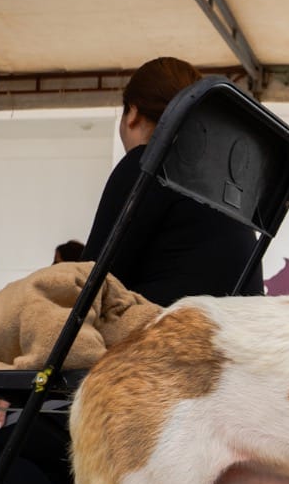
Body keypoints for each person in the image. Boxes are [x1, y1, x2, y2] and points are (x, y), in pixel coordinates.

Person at [0, 57, 250, 484]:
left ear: (131, 116)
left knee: (3, 440)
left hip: (149, 415)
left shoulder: (146, 170)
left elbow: (84, 293)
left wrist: (11, 378)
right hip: (223, 416)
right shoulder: (236, 206)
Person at [82, 57, 260, 305]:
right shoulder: (224, 188)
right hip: (233, 338)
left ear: (132, 113)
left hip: (166, 338)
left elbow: (86, 283)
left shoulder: (146, 165)